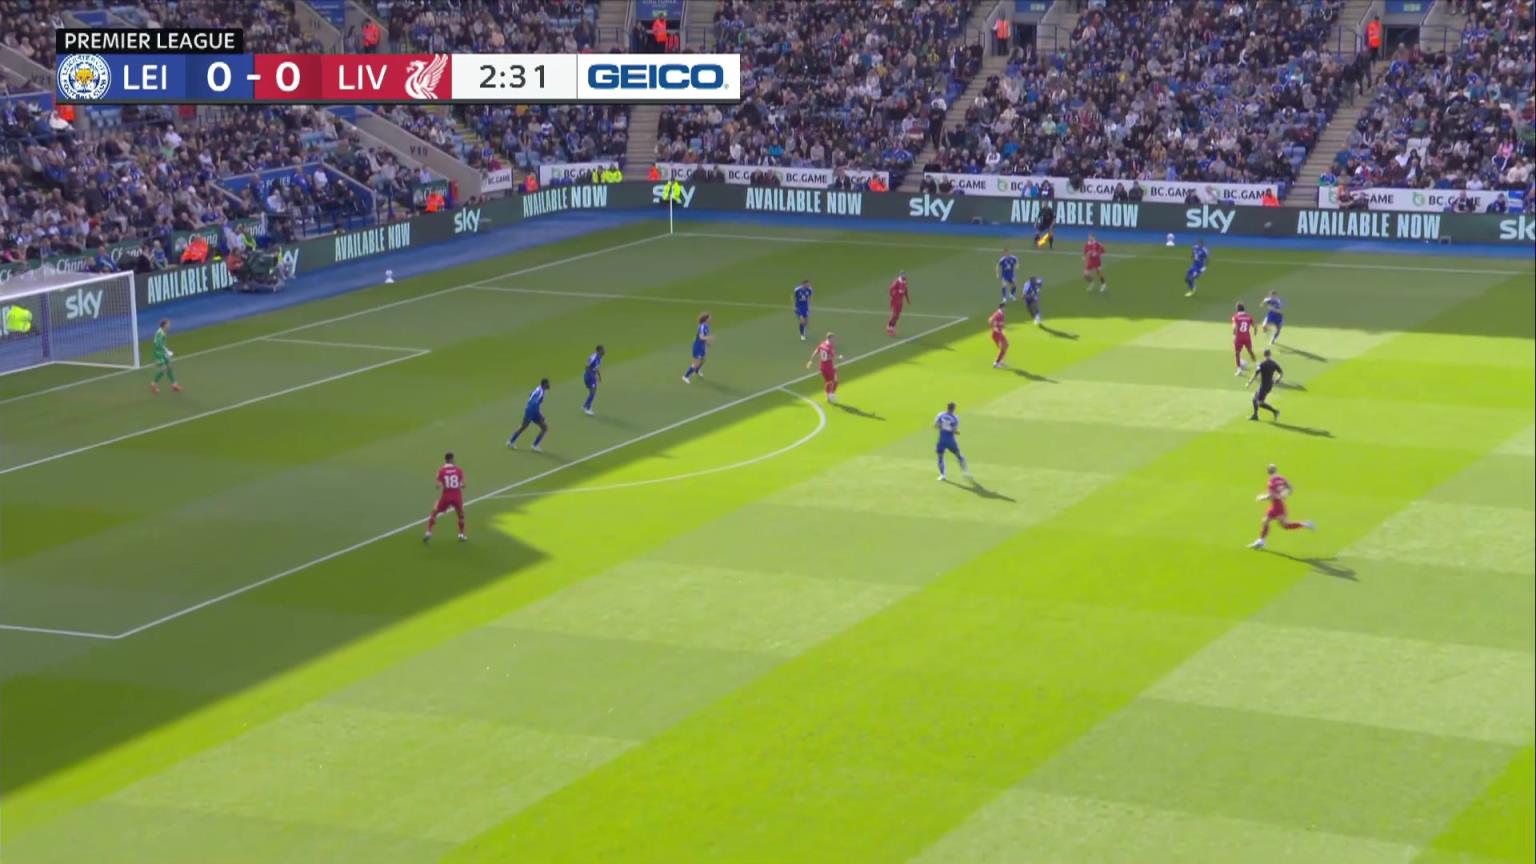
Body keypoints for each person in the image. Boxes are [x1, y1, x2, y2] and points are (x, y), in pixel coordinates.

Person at [1249, 464, 1315, 549]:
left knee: (1284, 525)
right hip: (1277, 505)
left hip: (1278, 506)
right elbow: (1291, 488)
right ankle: (1261, 541)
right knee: (1267, 521)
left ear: (1268, 471)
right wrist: (1286, 494)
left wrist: (1261, 498)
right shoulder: (1281, 478)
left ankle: (1306, 524)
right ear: (1276, 470)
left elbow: (1271, 496)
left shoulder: (1271, 482)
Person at [423, 452, 467, 543]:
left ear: (445, 460)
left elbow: (438, 485)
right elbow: (463, 484)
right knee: (461, 515)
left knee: (435, 511)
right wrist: (461, 485)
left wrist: (439, 485)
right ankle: (461, 534)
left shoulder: (441, 471)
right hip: (457, 496)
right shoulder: (459, 470)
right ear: (451, 459)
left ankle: (428, 531)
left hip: (446, 495)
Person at [507, 378, 550, 451]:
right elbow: (534, 403)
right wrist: (539, 414)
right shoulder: (541, 392)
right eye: (548, 383)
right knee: (524, 427)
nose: (549, 385)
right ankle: (511, 442)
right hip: (532, 411)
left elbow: (530, 395)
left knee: (544, 428)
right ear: (544, 384)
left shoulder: (538, 388)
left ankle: (534, 445)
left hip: (532, 411)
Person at [934, 402, 970, 482]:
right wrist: (956, 432)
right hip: (950, 441)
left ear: (947, 407)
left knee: (940, 457)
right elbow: (954, 430)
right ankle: (966, 471)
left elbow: (936, 425)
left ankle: (943, 475)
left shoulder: (940, 415)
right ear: (954, 409)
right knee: (958, 455)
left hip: (941, 440)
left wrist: (943, 427)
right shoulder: (955, 418)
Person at [1246, 349, 1283, 421]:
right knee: (1255, 399)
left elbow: (1255, 374)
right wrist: (1277, 379)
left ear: (1264, 355)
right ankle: (1256, 415)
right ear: (1270, 355)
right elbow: (1281, 373)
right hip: (1269, 385)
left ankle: (1275, 411)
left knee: (1259, 402)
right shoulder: (1274, 363)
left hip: (1264, 386)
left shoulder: (1262, 364)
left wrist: (1249, 382)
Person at [805, 331, 842, 403]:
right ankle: (830, 395)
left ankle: (830, 394)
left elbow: (816, 351)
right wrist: (839, 357)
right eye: (833, 338)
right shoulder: (829, 347)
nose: (834, 340)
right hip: (828, 367)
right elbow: (832, 357)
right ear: (830, 338)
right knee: (832, 381)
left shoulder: (822, 344)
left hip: (823, 367)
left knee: (832, 381)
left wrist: (810, 360)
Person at [150, 318, 181, 394]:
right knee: (163, 369)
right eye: (168, 324)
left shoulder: (163, 332)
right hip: (159, 353)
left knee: (169, 367)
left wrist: (166, 351)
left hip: (163, 352)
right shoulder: (160, 333)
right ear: (164, 325)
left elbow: (162, 343)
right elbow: (158, 344)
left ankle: (174, 385)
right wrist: (167, 351)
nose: (169, 326)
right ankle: (153, 384)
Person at [682, 312, 711, 382]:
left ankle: (697, 370)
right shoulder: (702, 326)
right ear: (706, 319)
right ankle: (685, 376)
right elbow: (701, 337)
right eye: (709, 318)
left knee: (703, 359)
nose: (711, 319)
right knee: (696, 363)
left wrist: (707, 343)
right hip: (698, 346)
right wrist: (710, 338)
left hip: (702, 346)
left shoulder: (707, 326)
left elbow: (705, 337)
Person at [1232, 302, 1257, 374]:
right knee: (1250, 351)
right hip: (1247, 337)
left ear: (1237, 309)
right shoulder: (1249, 317)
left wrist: (1233, 335)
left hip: (1239, 338)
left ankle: (1239, 369)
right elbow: (1255, 326)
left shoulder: (1235, 317)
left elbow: (1234, 327)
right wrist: (1255, 333)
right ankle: (1257, 364)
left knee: (1237, 353)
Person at [582, 345, 604, 415]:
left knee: (593, 392)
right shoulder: (594, 357)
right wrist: (592, 376)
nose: (604, 351)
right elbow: (587, 367)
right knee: (593, 392)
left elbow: (596, 368)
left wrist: (599, 376)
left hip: (592, 377)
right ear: (599, 350)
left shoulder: (600, 358)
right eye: (602, 350)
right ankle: (587, 408)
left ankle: (585, 406)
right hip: (589, 377)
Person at [887, 271, 910, 337]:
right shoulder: (897, 282)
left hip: (900, 302)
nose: (904, 276)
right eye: (903, 274)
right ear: (900, 275)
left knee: (897, 316)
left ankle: (892, 326)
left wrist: (908, 299)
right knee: (894, 315)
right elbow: (890, 289)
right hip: (895, 301)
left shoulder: (905, 282)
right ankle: (889, 328)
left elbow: (905, 291)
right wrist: (893, 296)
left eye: (905, 274)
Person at [988, 303, 1008, 368]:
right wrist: (995, 327)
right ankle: (996, 363)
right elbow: (990, 320)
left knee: (1006, 345)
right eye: (1005, 307)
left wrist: (1002, 328)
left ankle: (1001, 361)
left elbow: (1000, 324)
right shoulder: (997, 314)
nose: (1005, 309)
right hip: (996, 334)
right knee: (1002, 348)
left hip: (1000, 333)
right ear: (1002, 307)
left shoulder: (1002, 314)